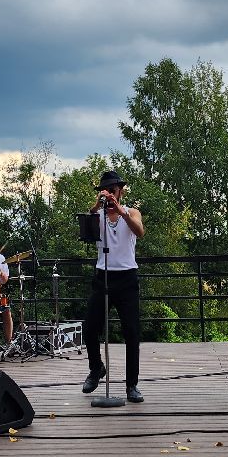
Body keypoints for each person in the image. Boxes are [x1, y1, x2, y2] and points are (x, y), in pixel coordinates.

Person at [81, 170, 145, 402]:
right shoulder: (98, 214)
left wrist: (121, 211)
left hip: (126, 278)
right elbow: (86, 229)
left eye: (112, 190)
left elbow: (140, 231)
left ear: (120, 191)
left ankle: (132, 385)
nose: (109, 194)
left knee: (131, 332)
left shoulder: (132, 212)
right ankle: (96, 368)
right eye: (105, 191)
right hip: (103, 276)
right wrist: (97, 205)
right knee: (90, 327)